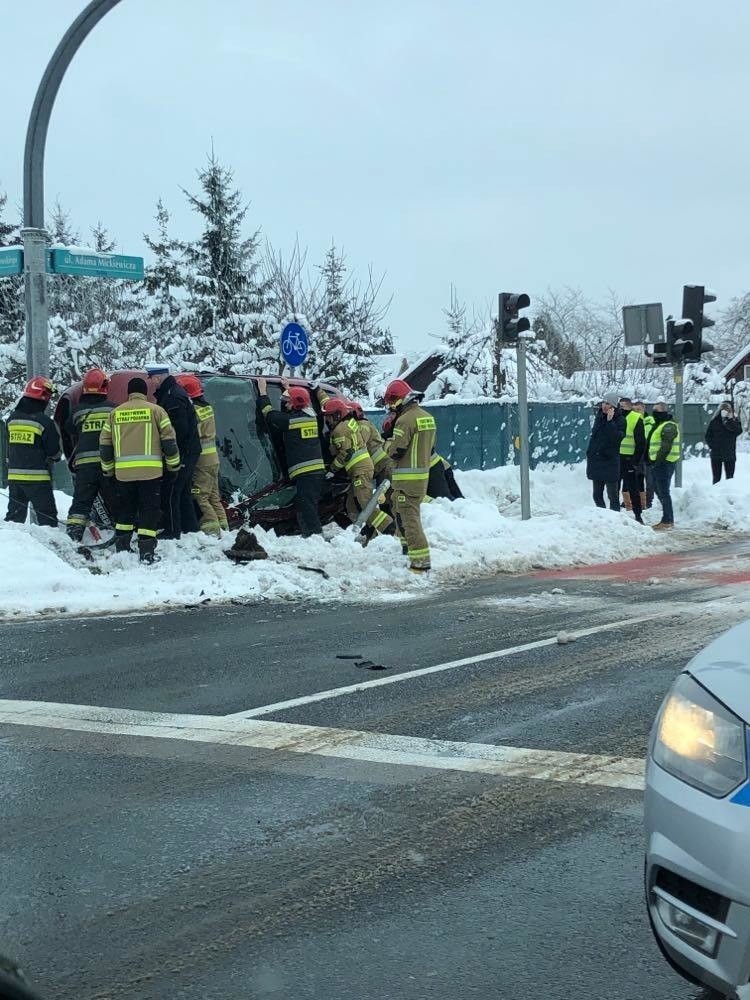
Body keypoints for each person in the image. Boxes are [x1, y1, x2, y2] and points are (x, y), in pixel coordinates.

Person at [100, 377, 180, 562]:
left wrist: (108, 470)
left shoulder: (115, 414)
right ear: (145, 393)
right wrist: (173, 466)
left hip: (123, 474)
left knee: (125, 510)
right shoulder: (157, 411)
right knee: (149, 510)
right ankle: (146, 551)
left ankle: (122, 548)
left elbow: (104, 446)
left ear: (129, 393)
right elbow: (169, 442)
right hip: (151, 473)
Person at [257, 377, 326, 537]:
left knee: (306, 505)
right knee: (306, 504)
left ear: (296, 404)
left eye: (289, 402)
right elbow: (287, 412)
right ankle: (309, 534)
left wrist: (262, 392)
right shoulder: (310, 417)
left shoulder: (292, 422)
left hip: (306, 473)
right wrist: (287, 389)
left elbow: (270, 415)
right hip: (314, 472)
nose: (287, 404)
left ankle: (315, 536)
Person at [321, 396, 394, 545]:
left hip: (360, 469)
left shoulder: (339, 430)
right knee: (351, 506)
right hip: (359, 470)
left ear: (337, 415)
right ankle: (367, 534)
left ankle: (390, 529)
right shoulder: (350, 424)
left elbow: (345, 453)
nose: (327, 421)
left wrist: (332, 469)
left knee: (365, 503)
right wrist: (318, 392)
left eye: (328, 417)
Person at [383, 378, 437, 572]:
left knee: (410, 521)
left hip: (407, 481)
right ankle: (407, 551)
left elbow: (396, 451)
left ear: (398, 400)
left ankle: (421, 563)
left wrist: (387, 443)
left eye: (391, 403)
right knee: (401, 515)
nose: (390, 408)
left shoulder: (404, 421)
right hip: (420, 479)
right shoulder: (426, 417)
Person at [175, 374, 229, 536]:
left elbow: (192, 435)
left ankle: (212, 532)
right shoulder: (207, 407)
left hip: (202, 460)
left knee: (200, 497)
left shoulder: (195, 411)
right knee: (214, 497)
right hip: (213, 459)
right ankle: (225, 530)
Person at [4, 376, 61, 528]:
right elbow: (54, 452)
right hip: (37, 478)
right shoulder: (44, 422)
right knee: (47, 518)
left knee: (14, 519)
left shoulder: (12, 419)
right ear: (43, 397)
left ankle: (9, 547)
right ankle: (49, 548)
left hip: (14, 478)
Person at [64, 368, 114, 541]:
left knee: (81, 501)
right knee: (116, 499)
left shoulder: (77, 411)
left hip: (85, 466)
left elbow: (69, 429)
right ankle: (121, 533)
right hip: (107, 464)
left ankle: (74, 534)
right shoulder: (113, 410)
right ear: (105, 386)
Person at [151, 371, 201, 539]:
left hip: (183, 452)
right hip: (189, 451)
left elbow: (179, 430)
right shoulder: (173, 392)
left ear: (158, 377)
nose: (151, 382)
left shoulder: (172, 397)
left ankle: (172, 530)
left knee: (171, 490)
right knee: (183, 492)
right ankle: (191, 529)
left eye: (151, 378)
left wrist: (173, 455)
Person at [586, 394, 625, 511]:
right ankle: (602, 516)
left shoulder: (620, 420)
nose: (604, 405)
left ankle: (615, 519)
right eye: (603, 402)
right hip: (596, 461)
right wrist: (590, 452)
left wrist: (610, 421)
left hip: (610, 461)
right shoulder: (599, 417)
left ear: (613, 406)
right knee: (597, 495)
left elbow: (617, 438)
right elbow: (595, 437)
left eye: (608, 403)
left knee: (612, 496)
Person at [649, 401, 680, 531]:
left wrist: (657, 462)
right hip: (659, 463)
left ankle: (668, 520)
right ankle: (667, 518)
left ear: (663, 412)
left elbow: (666, 446)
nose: (654, 413)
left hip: (664, 462)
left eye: (657, 411)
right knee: (659, 490)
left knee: (663, 491)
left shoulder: (669, 426)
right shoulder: (659, 424)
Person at [348, 401, 391, 485]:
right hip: (381, 466)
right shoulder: (362, 424)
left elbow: (359, 443)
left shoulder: (362, 425)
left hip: (383, 466)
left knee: (385, 496)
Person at [618, 396, 646, 524]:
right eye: (619, 406)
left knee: (633, 488)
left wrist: (635, 462)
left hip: (629, 458)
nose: (620, 409)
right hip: (616, 457)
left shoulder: (635, 419)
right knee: (614, 487)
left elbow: (641, 443)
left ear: (629, 406)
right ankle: (614, 513)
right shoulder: (616, 417)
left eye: (623, 406)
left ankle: (638, 515)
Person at [705, 402, 742, 484]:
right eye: (723, 409)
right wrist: (713, 446)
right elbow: (708, 436)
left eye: (727, 409)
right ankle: (715, 494)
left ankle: (728, 494)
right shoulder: (715, 421)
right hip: (716, 454)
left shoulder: (733, 420)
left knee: (730, 478)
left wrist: (730, 420)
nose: (725, 411)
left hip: (729, 454)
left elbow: (738, 431)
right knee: (716, 478)